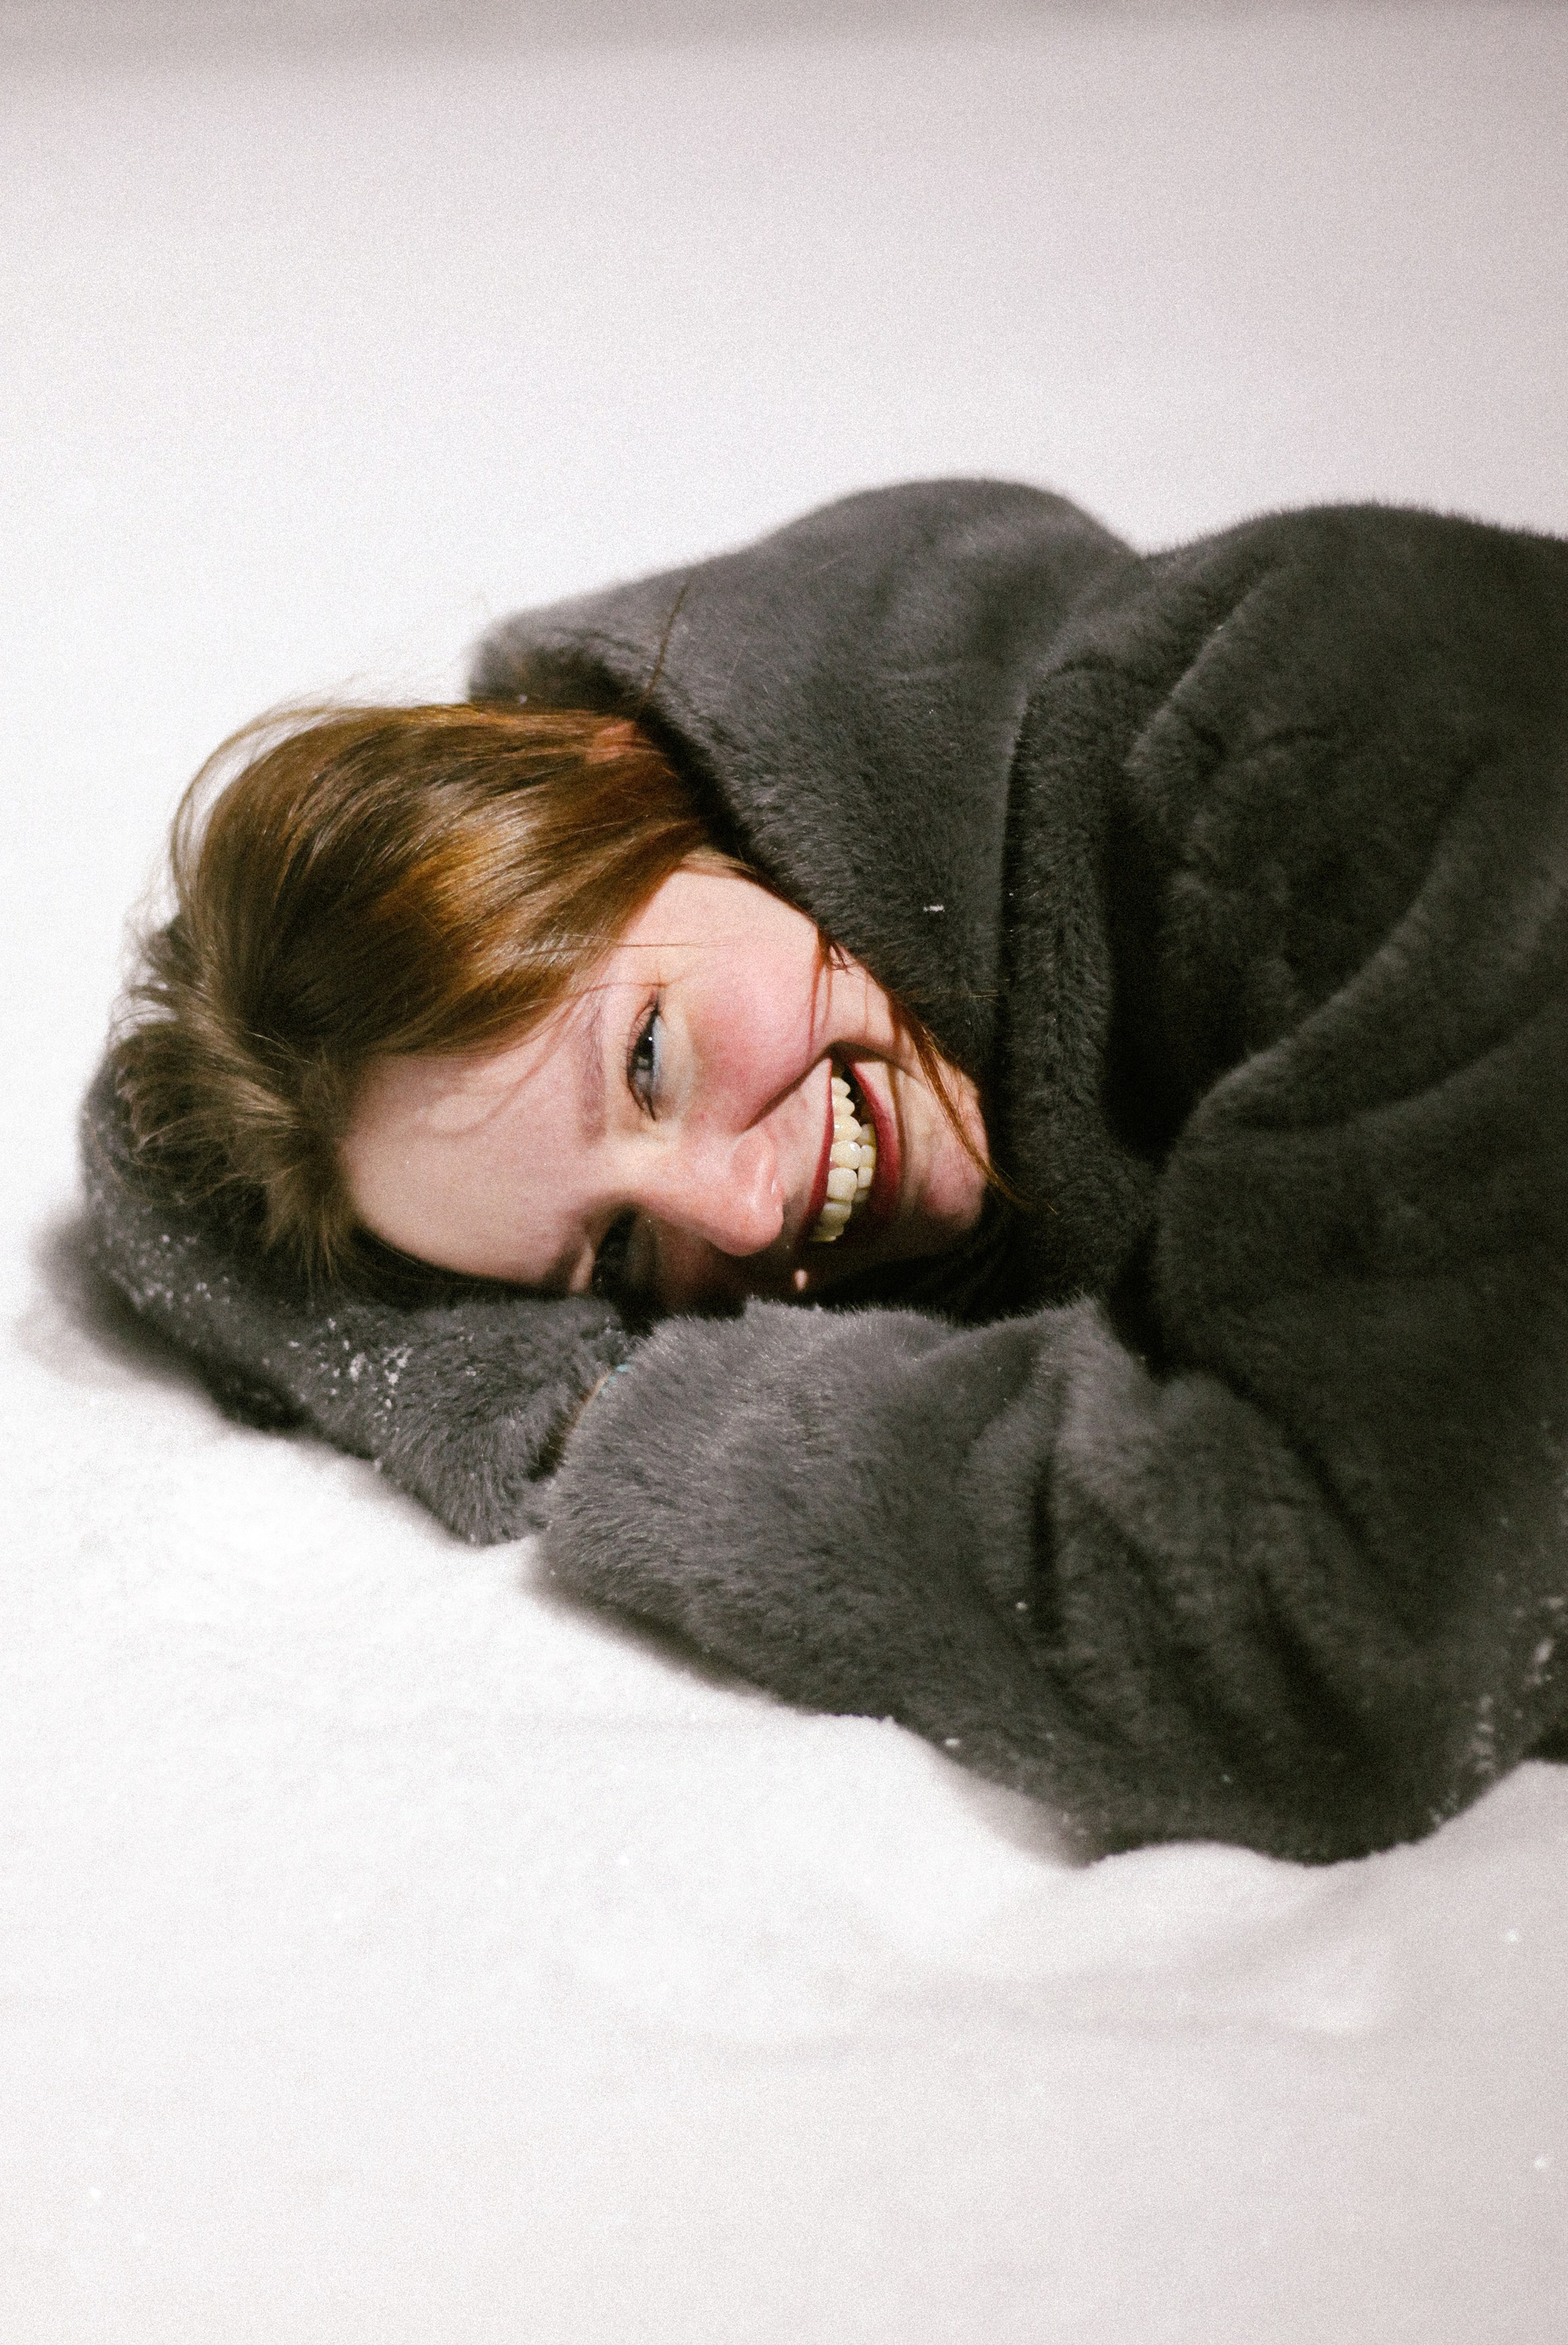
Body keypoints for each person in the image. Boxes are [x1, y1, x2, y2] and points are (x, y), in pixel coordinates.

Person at [82, 479, 1568, 1863]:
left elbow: (1322, 1645)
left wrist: (647, 1434)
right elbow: (162, 1186)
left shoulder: (1336, 725)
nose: (737, 1216)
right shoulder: (895, 1016)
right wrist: (524, 1391)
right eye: (613, 1255)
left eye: (647, 1061)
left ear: (631, 782)